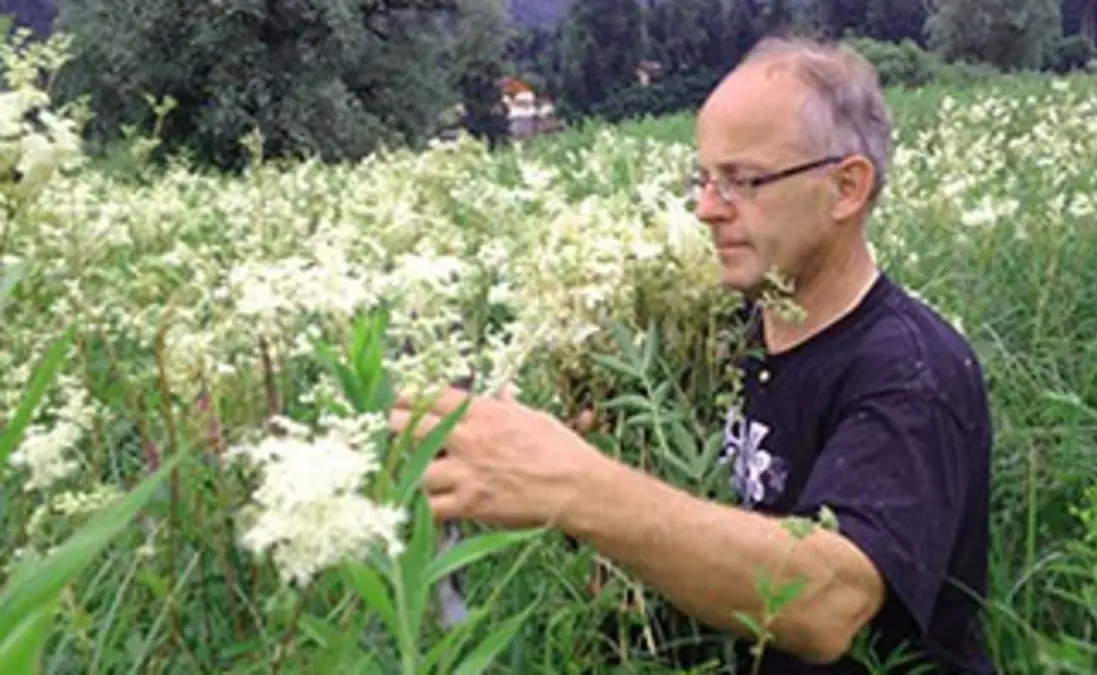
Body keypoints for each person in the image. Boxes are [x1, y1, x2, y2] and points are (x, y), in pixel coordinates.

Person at [390, 35, 996, 674]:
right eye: (703, 179)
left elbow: (828, 601)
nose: (706, 210)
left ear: (846, 188)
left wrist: (578, 485)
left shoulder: (912, 371)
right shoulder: (714, 331)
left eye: (742, 181)